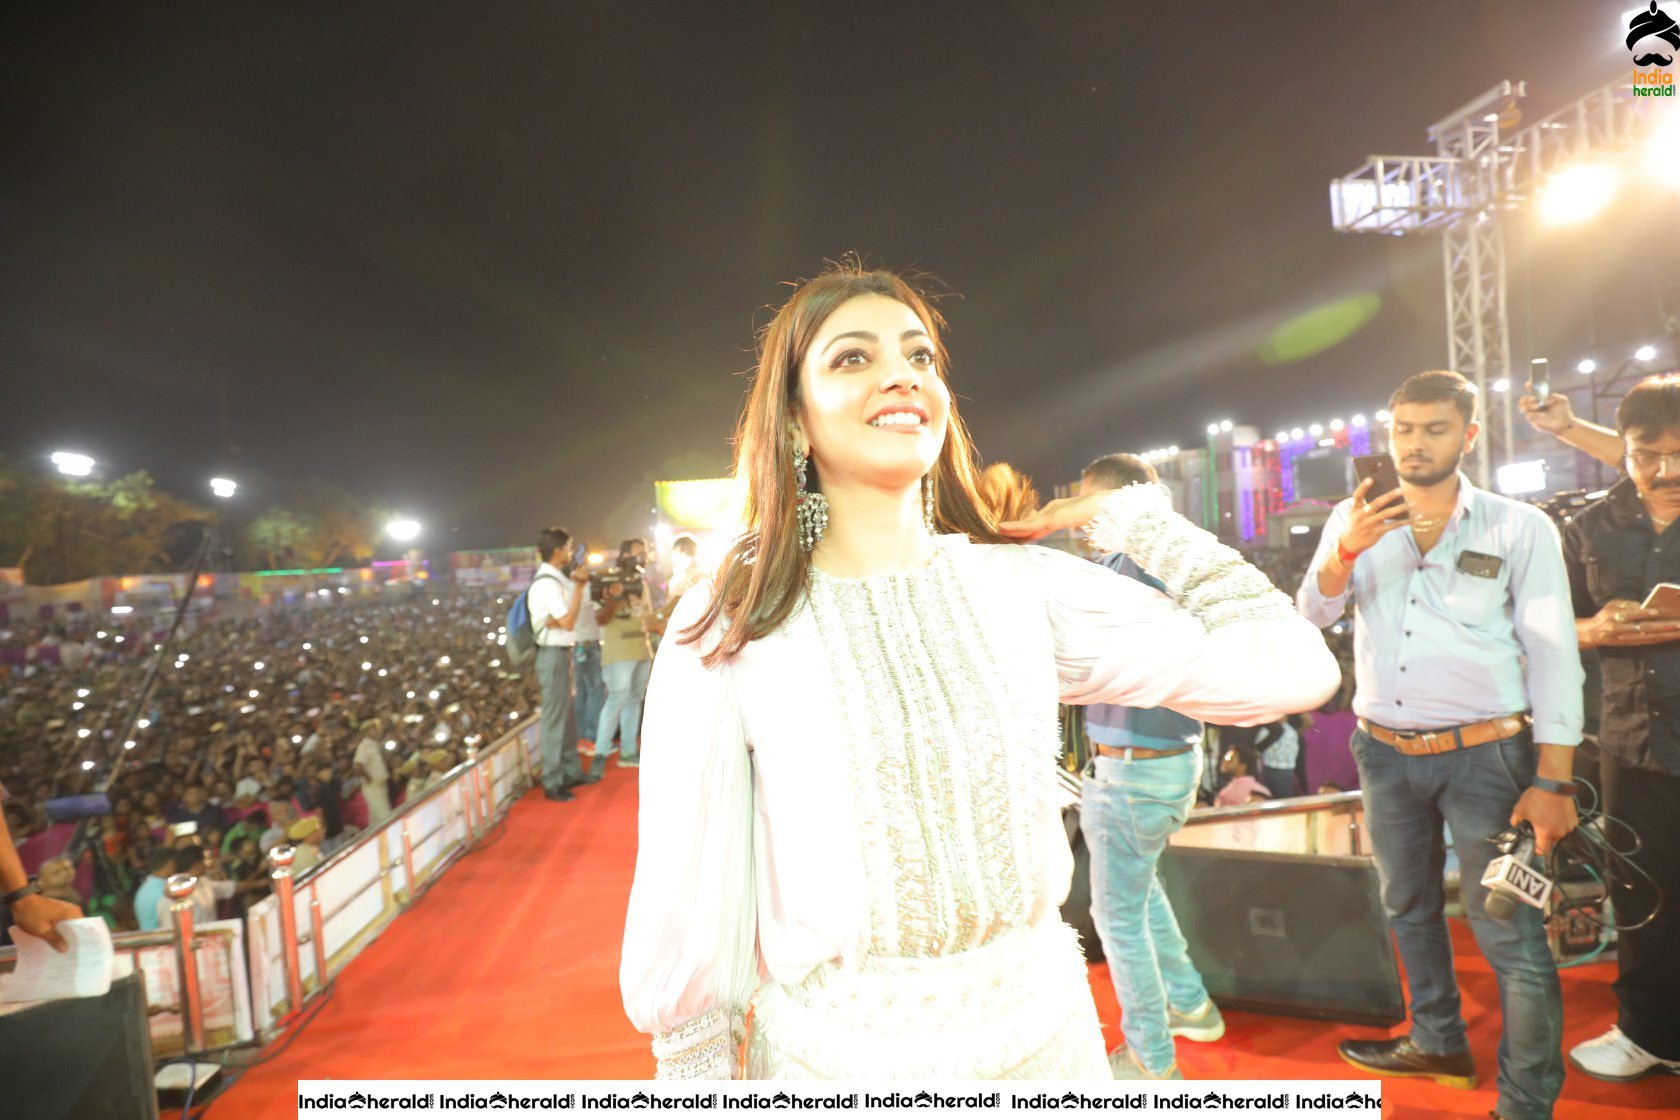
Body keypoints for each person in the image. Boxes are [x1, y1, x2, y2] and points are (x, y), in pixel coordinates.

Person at [619, 262, 1340, 1079]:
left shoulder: (1019, 586)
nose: (901, 375)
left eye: (920, 357)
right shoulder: (734, 619)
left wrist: (1134, 519)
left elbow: (1294, 668)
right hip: (839, 1065)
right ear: (793, 418)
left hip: (1049, 1049)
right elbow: (690, 878)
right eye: (853, 358)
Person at [1298, 370, 1583, 1120]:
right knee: (1409, 907)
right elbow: (1311, 611)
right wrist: (1346, 552)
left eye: (1433, 429)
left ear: (1468, 434)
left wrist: (1553, 780)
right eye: (1403, 430)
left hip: (1486, 755)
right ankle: (1436, 1040)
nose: (1415, 444)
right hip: (1384, 751)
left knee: (1510, 933)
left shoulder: (1518, 527)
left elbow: (1553, 651)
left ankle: (1526, 1104)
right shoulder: (1352, 518)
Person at [1520, 374, 1680, 1080]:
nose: (1665, 471)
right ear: (1626, 449)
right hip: (1630, 743)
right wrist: (1593, 629)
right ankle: (1649, 1033)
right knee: (1641, 896)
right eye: (1648, 453)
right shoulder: (1588, 526)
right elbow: (1546, 626)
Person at [1073, 452, 1224, 1080]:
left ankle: (1150, 1059)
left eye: (1086, 506)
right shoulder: (1171, 562)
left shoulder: (1128, 570)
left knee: (1118, 920)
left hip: (1132, 773)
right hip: (1167, 765)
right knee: (1142, 893)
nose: (1081, 523)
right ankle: (1191, 1004)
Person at [529, 527, 595, 803]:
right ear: (557, 551)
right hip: (553, 654)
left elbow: (560, 621)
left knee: (566, 717)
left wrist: (557, 619)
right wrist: (580, 588)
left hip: (560, 652)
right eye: (568, 547)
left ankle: (571, 771)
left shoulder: (553, 579)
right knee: (556, 719)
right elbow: (567, 621)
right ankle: (553, 780)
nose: (571, 552)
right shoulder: (547, 583)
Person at [593, 556, 657, 773]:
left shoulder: (640, 585)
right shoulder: (605, 583)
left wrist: (637, 603)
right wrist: (613, 598)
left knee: (634, 698)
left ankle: (628, 751)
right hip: (617, 651)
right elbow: (599, 619)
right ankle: (600, 752)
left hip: (641, 646)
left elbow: (647, 614)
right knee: (616, 698)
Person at [1, 803, 83, 950]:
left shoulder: (73, 903)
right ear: (39, 883)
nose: (65, 874)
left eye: (67, 869)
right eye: (57, 873)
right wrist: (22, 899)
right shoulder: (12, 914)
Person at [352, 719, 392, 825]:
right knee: (385, 816)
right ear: (366, 731)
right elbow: (357, 766)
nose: (377, 731)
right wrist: (367, 777)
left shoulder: (374, 745)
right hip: (373, 787)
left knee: (375, 819)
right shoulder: (364, 746)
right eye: (374, 729)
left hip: (380, 785)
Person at [1213, 743, 1271, 807]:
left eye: (1229, 759)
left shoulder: (1225, 794)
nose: (1223, 762)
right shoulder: (1264, 791)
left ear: (1242, 766)